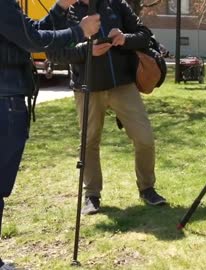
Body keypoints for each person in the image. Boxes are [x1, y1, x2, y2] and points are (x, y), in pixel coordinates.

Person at [0, 0, 100, 268]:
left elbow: (28, 33)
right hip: (5, 102)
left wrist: (59, 9)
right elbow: (34, 41)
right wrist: (80, 30)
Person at [46, 0, 166, 215]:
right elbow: (54, 53)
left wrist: (124, 38)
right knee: (89, 141)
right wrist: (86, 50)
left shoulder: (116, 4)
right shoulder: (67, 10)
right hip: (87, 87)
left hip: (123, 85)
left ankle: (147, 188)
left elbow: (145, 34)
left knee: (145, 138)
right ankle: (92, 195)